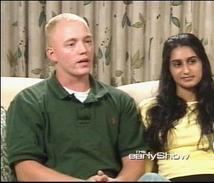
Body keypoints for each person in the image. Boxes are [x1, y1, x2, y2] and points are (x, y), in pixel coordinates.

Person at [6, 13, 148, 181]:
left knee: (152, 179)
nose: (83, 50)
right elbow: (26, 171)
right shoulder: (28, 102)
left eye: (87, 41)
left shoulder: (120, 101)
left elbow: (135, 158)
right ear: (52, 54)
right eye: (71, 44)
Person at [139, 33, 214, 182]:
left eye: (192, 61)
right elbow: (146, 157)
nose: (186, 70)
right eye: (177, 64)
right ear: (168, 69)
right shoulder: (150, 109)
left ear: (203, 63)